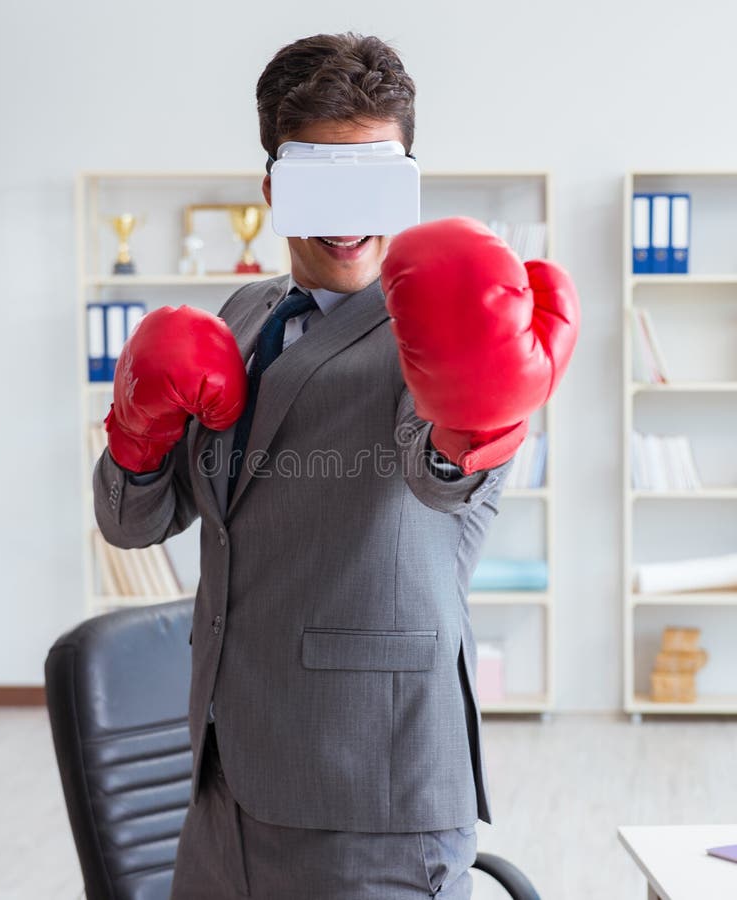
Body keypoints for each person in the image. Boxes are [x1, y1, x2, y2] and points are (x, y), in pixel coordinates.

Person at [94, 32, 579, 900]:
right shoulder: (244, 314)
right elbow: (134, 524)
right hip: (224, 785)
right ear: (275, 188)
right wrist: (134, 434)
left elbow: (442, 479)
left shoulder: (436, 329)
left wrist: (476, 417)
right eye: (321, 177)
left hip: (369, 799)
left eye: (373, 177)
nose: (347, 213)